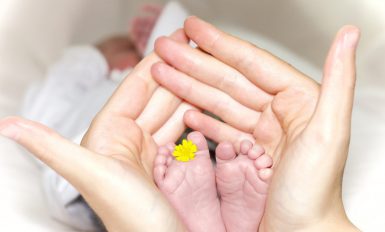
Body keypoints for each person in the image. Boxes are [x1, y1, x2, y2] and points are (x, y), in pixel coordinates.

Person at [0, 16, 360, 232]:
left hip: (164, 147)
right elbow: (50, 93)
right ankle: (215, 204)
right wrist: (92, 56)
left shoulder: (157, 90)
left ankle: (209, 208)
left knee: (199, 150)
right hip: (102, 147)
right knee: (184, 155)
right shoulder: (89, 80)